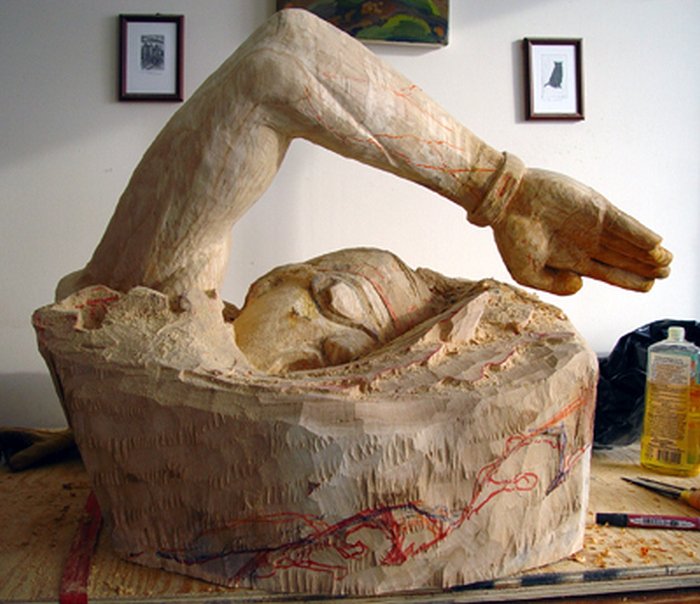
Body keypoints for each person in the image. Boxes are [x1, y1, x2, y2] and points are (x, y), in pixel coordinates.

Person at [56, 8, 671, 307]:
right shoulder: (141, 301)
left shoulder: (155, 295)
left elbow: (283, 59)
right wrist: (501, 191)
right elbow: (278, 67)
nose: (318, 298)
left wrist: (505, 191)